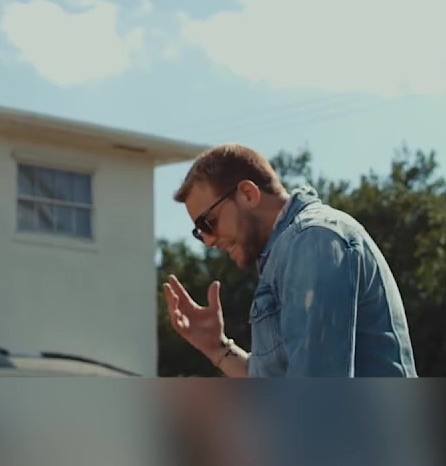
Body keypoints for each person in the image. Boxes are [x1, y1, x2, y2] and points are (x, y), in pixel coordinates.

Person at [162, 143, 417, 377]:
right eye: (199, 233)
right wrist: (217, 348)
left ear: (248, 194)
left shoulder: (312, 240)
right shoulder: (291, 251)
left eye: (208, 223)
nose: (208, 241)